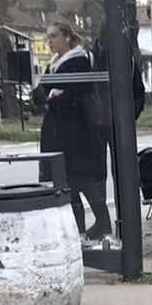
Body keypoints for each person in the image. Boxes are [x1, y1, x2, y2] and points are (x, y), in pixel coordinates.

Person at [37, 23, 112, 243]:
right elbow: (39, 96)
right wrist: (52, 95)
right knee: (70, 183)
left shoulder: (77, 62)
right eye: (48, 37)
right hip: (61, 133)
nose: (49, 41)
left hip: (74, 135)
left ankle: (91, 226)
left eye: (53, 36)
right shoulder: (53, 65)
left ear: (68, 38)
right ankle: (82, 228)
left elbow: (70, 97)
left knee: (79, 181)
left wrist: (54, 96)